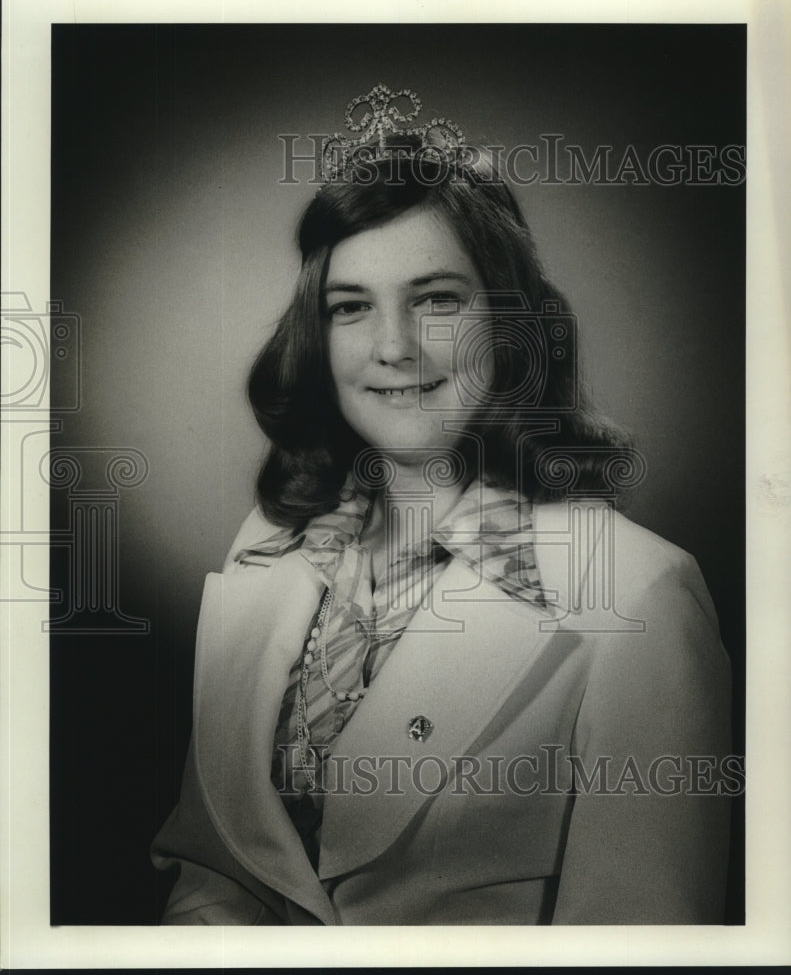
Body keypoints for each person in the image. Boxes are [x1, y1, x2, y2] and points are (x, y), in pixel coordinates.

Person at [151, 85, 732, 925]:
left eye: (435, 299)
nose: (392, 347)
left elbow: (636, 938)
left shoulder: (638, 594)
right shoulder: (263, 553)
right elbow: (210, 876)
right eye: (350, 307)